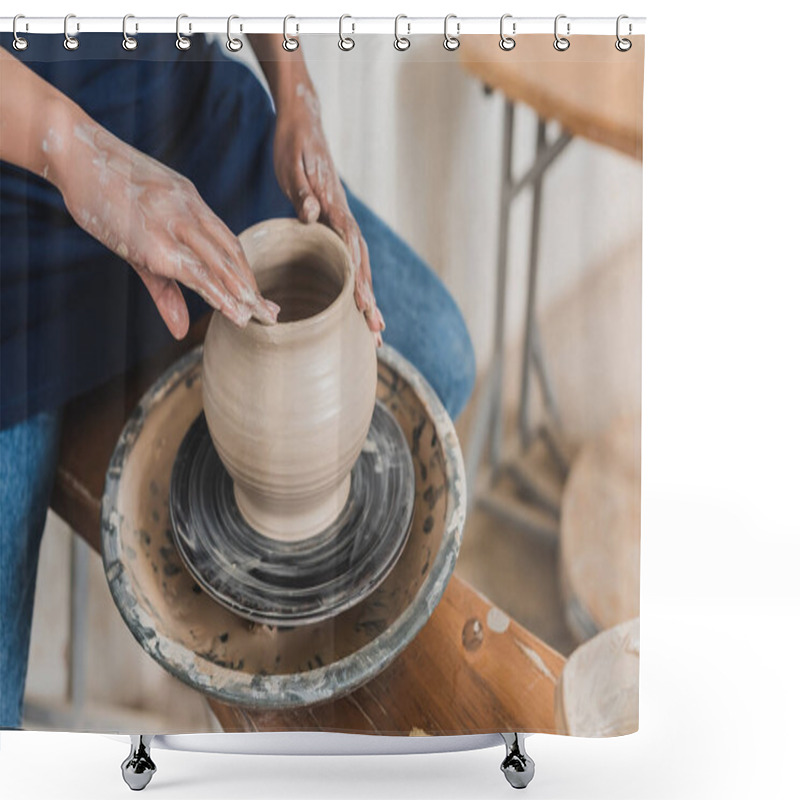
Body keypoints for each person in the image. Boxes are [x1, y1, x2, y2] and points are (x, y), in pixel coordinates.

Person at [0, 32, 475, 729]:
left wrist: (294, 88)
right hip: (18, 212)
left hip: (186, 134)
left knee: (438, 351)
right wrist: (72, 151)